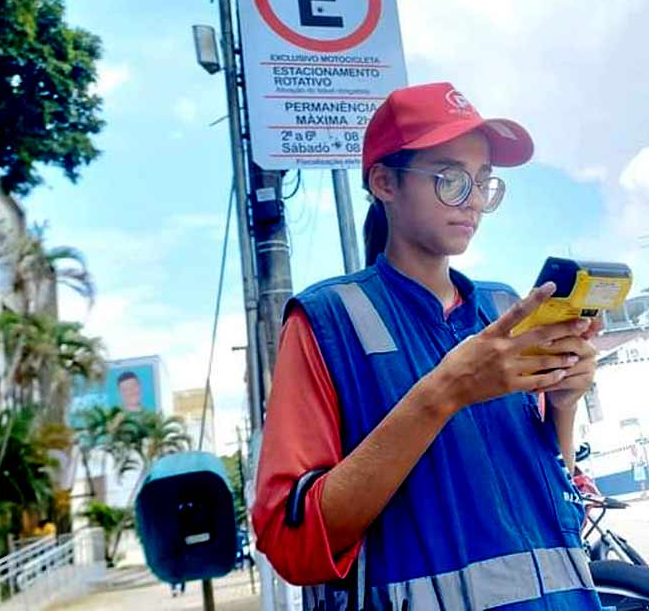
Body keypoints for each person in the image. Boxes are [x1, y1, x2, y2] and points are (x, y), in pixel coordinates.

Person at [252, 82, 604, 610]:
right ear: (384, 182)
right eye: (450, 179)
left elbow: (549, 481)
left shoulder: (504, 305)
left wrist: (564, 403)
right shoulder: (327, 321)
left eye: (484, 181)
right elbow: (292, 542)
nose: (474, 202)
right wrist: (442, 394)